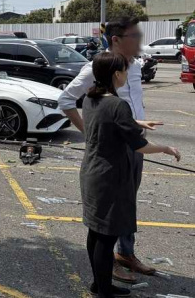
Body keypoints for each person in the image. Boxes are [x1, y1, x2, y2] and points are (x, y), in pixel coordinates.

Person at [58, 17, 161, 284]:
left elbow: (131, 106)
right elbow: (66, 99)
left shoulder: (135, 66)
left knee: (127, 203)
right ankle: (107, 268)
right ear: (116, 40)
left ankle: (125, 254)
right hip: (115, 153)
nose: (139, 41)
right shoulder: (98, 69)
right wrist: (91, 136)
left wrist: (139, 125)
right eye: (134, 37)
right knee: (110, 213)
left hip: (136, 146)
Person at [80, 52, 180, 297]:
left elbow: (108, 120)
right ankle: (104, 291)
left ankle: (99, 284)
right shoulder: (117, 104)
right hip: (110, 178)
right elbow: (139, 146)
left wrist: (136, 122)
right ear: (116, 74)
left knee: (96, 231)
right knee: (106, 236)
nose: (127, 75)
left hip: (92, 174)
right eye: (125, 71)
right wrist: (167, 148)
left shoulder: (90, 98)